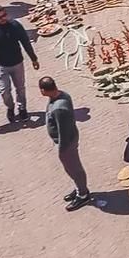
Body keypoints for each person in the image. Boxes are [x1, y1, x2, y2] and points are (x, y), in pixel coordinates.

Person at [0, 7, 38, 123]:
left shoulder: (15, 26)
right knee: (4, 91)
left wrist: (33, 59)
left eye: (4, 15)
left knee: (20, 88)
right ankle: (10, 107)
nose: (3, 18)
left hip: (17, 62)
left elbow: (25, 42)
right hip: (0, 65)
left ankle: (22, 108)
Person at [37, 76, 91, 210]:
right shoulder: (62, 95)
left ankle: (83, 195)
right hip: (69, 138)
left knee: (74, 169)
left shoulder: (59, 109)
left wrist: (62, 151)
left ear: (43, 90)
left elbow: (64, 132)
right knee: (72, 168)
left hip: (67, 144)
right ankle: (79, 187)